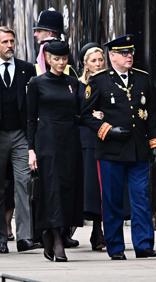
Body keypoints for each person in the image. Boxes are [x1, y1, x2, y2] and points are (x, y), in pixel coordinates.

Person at [81, 34, 156, 260]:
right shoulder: (99, 81)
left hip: (138, 148)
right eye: (124, 53)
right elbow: (85, 115)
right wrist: (107, 129)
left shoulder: (143, 79)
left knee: (141, 198)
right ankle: (115, 246)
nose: (129, 57)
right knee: (112, 200)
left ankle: (144, 244)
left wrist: (155, 142)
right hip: (111, 150)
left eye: (131, 53)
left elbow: (152, 115)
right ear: (112, 55)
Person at [27, 41, 83, 262]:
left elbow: (81, 111)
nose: (60, 63)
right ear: (48, 59)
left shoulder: (73, 83)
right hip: (47, 140)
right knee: (52, 188)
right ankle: (57, 239)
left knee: (69, 186)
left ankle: (55, 233)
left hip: (70, 139)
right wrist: (31, 149)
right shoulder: (37, 83)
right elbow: (30, 119)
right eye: (56, 59)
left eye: (64, 59)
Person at [0, 26, 39, 254]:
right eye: (4, 42)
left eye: (12, 41)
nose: (9, 46)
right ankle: (1, 237)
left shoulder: (26, 69)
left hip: (20, 134)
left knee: (23, 183)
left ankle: (25, 237)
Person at [78, 42, 106, 251]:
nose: (98, 63)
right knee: (89, 186)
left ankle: (100, 229)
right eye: (94, 61)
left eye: (100, 60)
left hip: (105, 137)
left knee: (103, 185)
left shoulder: (108, 82)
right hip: (86, 139)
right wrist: (88, 115)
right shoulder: (78, 84)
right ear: (86, 64)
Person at [32, 8, 77, 77]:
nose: (35, 34)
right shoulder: (65, 49)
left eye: (39, 31)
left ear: (50, 33)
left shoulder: (45, 48)